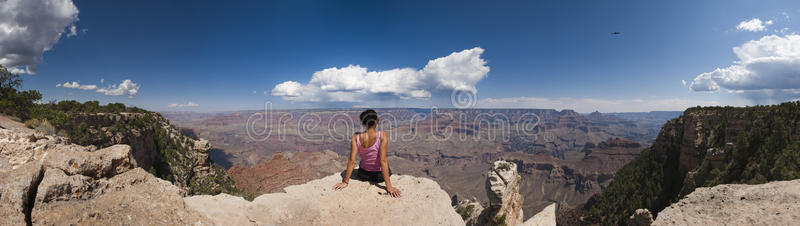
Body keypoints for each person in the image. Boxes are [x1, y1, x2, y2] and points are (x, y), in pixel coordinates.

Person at [333, 109, 402, 198]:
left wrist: (345, 182)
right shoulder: (382, 135)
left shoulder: (356, 137)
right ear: (376, 121)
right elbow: (383, 160)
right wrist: (389, 187)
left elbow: (352, 160)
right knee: (387, 165)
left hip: (363, 174)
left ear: (363, 123)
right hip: (379, 176)